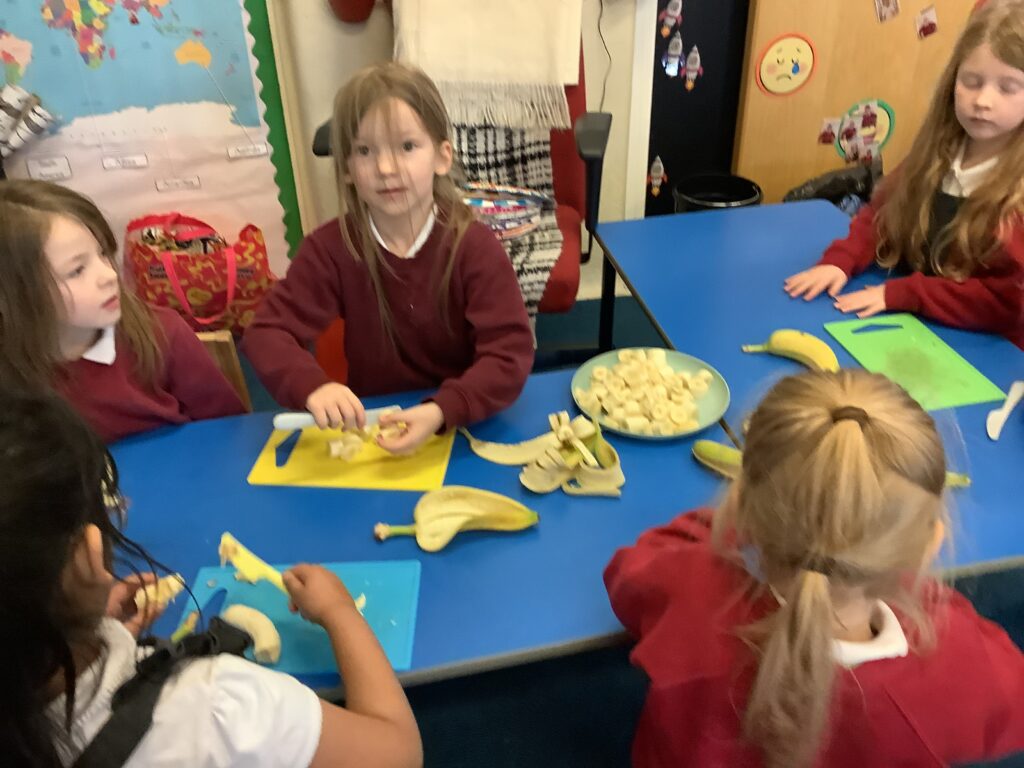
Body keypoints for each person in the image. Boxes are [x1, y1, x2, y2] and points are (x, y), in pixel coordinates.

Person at [605, 369, 1024, 767]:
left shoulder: (689, 585)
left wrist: (732, 521)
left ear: (742, 507)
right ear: (929, 544)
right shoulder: (956, 661)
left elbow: (627, 577)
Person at [0, 391, 422, 768]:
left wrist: (83, 628)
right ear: (89, 555)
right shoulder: (216, 707)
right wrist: (340, 612)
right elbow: (397, 754)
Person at [242, 63, 534, 454]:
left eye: (407, 147)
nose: (385, 168)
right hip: (376, 428)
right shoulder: (332, 247)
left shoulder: (474, 247)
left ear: (442, 157)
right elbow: (266, 333)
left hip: (463, 427)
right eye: (364, 151)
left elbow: (509, 354)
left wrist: (440, 411)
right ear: (347, 168)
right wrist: (314, 387)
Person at [784, 1, 1024, 349]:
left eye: (1008, 87)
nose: (983, 100)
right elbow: (881, 216)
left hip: (990, 353)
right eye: (971, 81)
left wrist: (906, 293)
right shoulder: (935, 154)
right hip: (919, 329)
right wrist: (842, 261)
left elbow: (1002, 304)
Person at [0, 180, 245, 443]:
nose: (109, 275)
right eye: (77, 270)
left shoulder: (161, 331)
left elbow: (230, 432)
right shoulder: (11, 369)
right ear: (14, 293)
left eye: (104, 254)